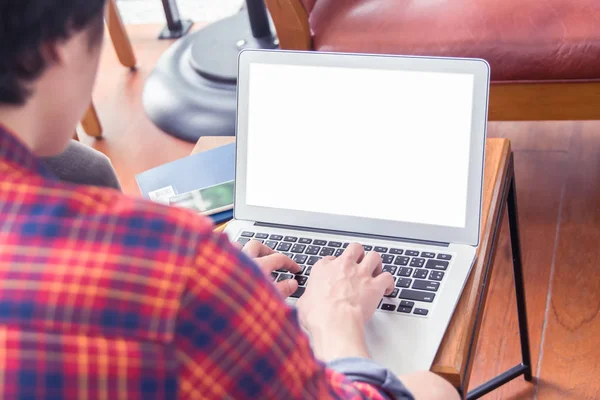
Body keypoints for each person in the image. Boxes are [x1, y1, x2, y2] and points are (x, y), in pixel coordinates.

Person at [0, 1, 458, 399]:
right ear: (56, 49)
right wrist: (335, 324)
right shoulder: (173, 260)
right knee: (433, 387)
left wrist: (225, 293)